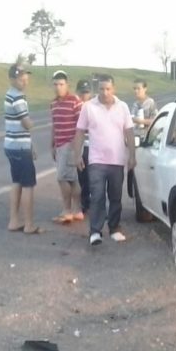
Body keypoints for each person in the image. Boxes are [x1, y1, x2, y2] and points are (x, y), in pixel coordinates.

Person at [71, 74, 135, 245]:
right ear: (96, 89)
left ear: (113, 89)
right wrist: (77, 155)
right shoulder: (88, 107)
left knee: (115, 196)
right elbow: (79, 132)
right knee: (97, 195)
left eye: (108, 89)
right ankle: (95, 231)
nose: (104, 92)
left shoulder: (122, 107)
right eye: (101, 89)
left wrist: (132, 156)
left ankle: (114, 228)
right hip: (96, 160)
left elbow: (129, 131)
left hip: (117, 160)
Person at [3, 62, 41, 234]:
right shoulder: (17, 97)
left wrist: (30, 144)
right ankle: (29, 224)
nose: (24, 81)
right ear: (12, 79)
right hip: (19, 146)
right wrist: (33, 125)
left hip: (12, 145)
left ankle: (14, 220)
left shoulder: (11, 95)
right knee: (28, 185)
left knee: (17, 182)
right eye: (20, 78)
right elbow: (26, 122)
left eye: (25, 78)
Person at [49, 70, 83, 223]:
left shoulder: (74, 101)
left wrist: (76, 149)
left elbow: (81, 126)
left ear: (67, 85)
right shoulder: (54, 104)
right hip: (60, 144)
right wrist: (52, 144)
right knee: (72, 179)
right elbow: (54, 126)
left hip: (70, 144)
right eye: (55, 84)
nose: (58, 87)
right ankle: (77, 210)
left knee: (62, 177)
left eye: (61, 84)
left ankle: (67, 210)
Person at [75, 79, 93, 214]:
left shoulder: (94, 106)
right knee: (82, 177)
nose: (84, 95)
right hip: (82, 146)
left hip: (93, 146)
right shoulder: (76, 107)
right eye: (82, 92)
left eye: (87, 93)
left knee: (93, 177)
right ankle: (84, 202)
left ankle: (91, 202)